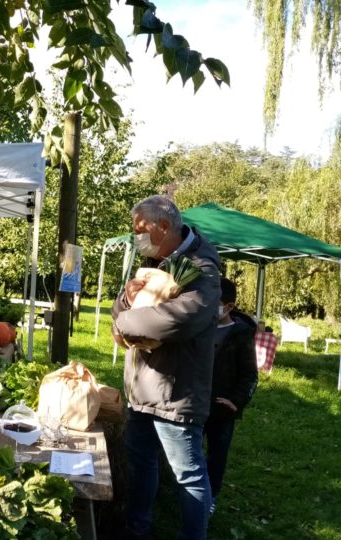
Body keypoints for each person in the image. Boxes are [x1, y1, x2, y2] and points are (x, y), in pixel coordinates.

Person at [111, 195, 221, 540]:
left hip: (175, 389)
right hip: (142, 385)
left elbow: (179, 320)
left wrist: (124, 322)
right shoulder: (156, 259)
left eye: (140, 230)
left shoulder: (202, 267)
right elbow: (123, 308)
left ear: (162, 226)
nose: (137, 237)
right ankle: (137, 527)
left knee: (188, 474)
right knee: (141, 461)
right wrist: (126, 299)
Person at [205, 277, 258, 515]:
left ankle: (211, 496)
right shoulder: (201, 326)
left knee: (217, 454)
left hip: (222, 410)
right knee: (191, 452)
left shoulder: (241, 334)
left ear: (229, 307)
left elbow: (249, 374)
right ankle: (192, 492)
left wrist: (236, 401)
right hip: (196, 403)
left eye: (214, 303)